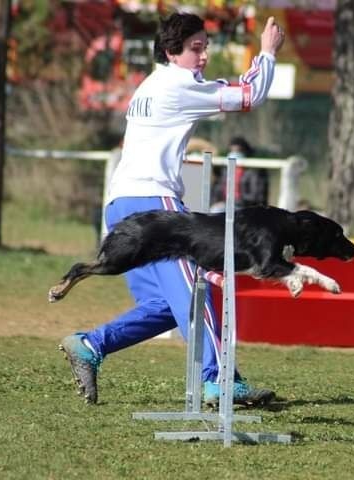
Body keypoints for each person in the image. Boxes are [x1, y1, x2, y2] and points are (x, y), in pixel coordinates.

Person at [59, 11, 286, 405]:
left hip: (120, 204)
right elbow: (250, 96)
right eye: (195, 49)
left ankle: (90, 346)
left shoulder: (149, 85)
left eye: (205, 47)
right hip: (153, 204)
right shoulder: (179, 85)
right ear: (171, 52)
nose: (203, 57)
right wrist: (266, 53)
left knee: (164, 306)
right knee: (198, 293)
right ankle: (220, 380)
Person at [210, 136, 269, 212]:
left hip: (245, 209)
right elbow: (216, 191)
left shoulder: (254, 172)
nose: (234, 154)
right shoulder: (225, 171)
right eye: (232, 151)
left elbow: (257, 198)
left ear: (245, 152)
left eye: (238, 151)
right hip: (224, 206)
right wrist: (216, 202)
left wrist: (235, 202)